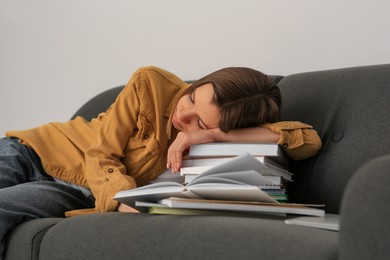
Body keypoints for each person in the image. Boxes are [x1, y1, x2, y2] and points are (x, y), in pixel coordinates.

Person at [0, 66, 321, 258]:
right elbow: (100, 155)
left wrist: (217, 137)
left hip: (79, 191)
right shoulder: (149, 84)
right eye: (192, 97)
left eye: (201, 122)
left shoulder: (225, 134)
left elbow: (306, 140)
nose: (183, 116)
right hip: (34, 150)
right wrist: (121, 200)